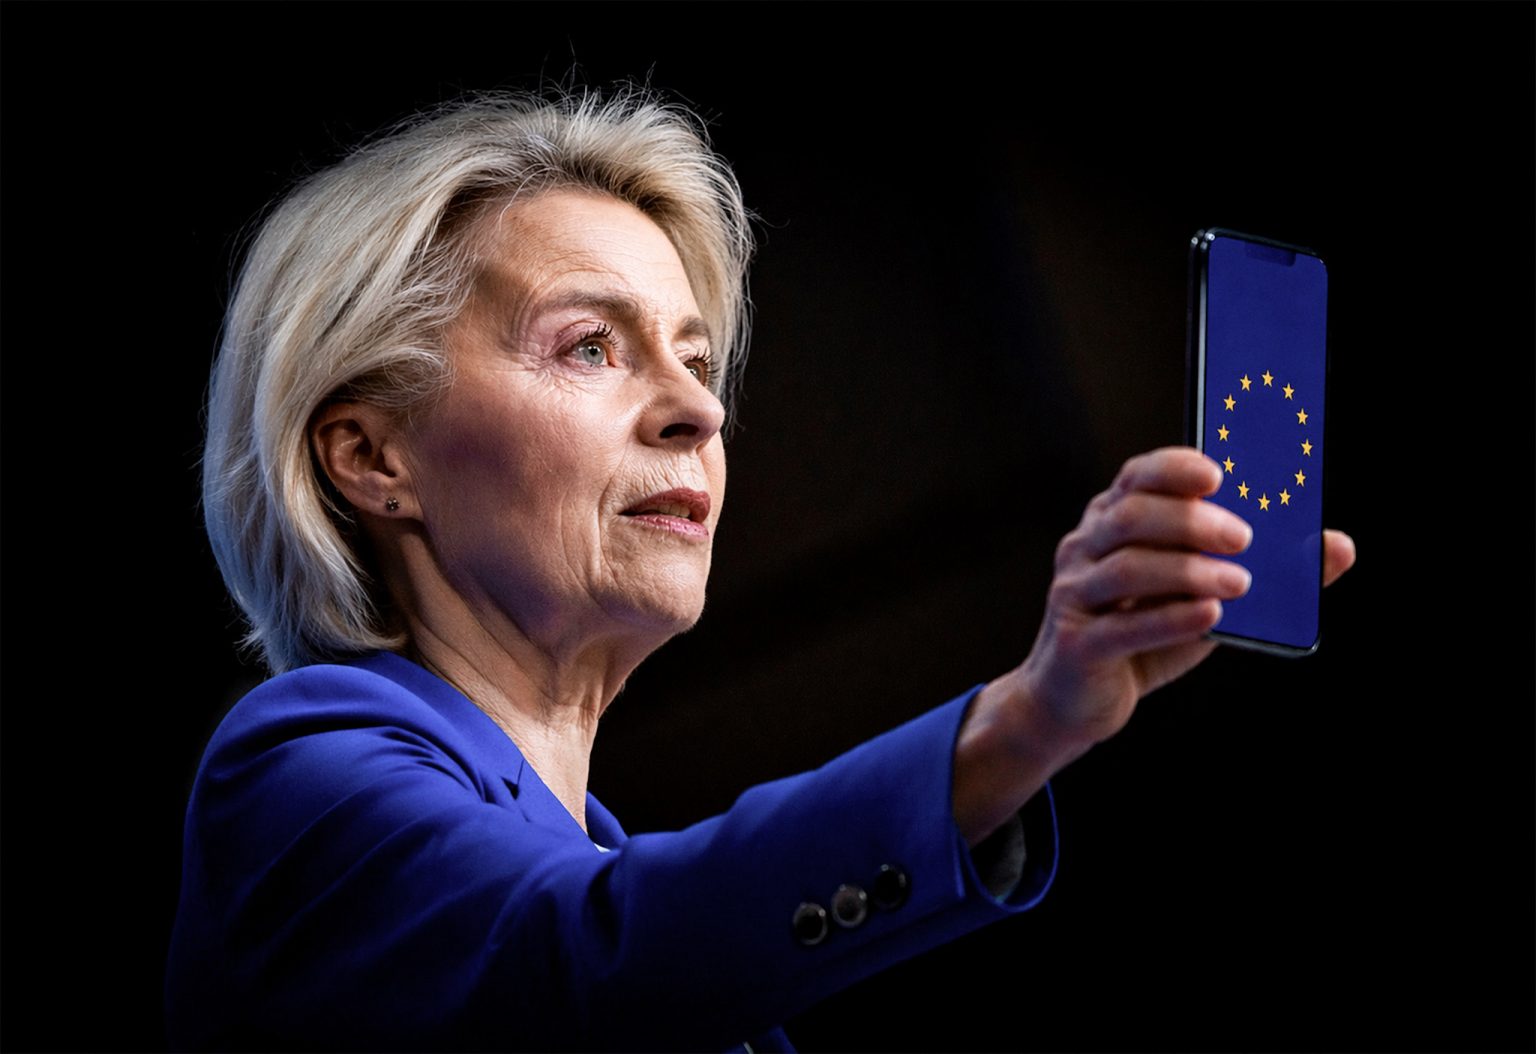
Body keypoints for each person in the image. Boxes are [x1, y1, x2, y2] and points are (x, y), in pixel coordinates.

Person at [168, 90, 1355, 1051]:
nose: (696, 408)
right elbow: (586, 958)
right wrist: (1022, 720)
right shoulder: (298, 771)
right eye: (591, 345)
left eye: (695, 358)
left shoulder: (628, 879)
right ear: (372, 456)